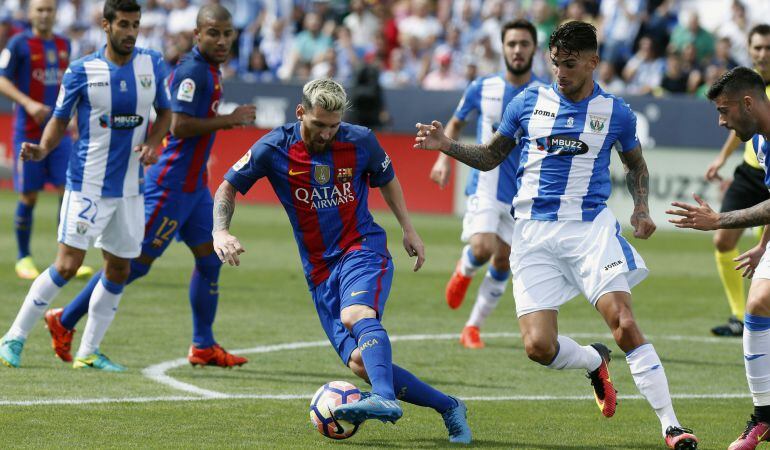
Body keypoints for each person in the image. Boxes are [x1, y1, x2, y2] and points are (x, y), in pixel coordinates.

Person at [414, 21, 698, 449]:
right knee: (538, 347)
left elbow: (635, 164)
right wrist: (447, 146)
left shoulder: (616, 112)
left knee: (623, 323)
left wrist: (641, 208)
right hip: (532, 234)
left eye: (569, 64)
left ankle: (672, 426)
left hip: (589, 231)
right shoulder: (529, 101)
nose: (560, 72)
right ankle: (592, 361)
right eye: (555, 63)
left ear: (592, 62)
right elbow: (492, 156)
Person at [213, 78, 471, 443]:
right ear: (300, 112)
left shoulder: (360, 139)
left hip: (361, 248)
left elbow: (388, 179)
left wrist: (408, 229)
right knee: (361, 364)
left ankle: (383, 398)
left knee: (357, 315)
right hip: (319, 271)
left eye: (333, 126)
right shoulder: (273, 147)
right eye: (318, 125)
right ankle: (449, 406)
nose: (326, 134)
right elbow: (229, 185)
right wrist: (220, 231)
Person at [42, 4, 255, 368]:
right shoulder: (191, 72)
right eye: (214, 33)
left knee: (210, 259)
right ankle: (64, 319)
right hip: (169, 186)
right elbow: (179, 126)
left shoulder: (210, 70)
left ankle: (203, 345)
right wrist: (227, 120)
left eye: (227, 33)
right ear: (198, 34)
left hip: (194, 188)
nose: (222, 40)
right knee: (132, 265)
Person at [0, 0, 171, 372]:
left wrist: (155, 142)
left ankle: (89, 351)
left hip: (130, 187)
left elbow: (166, 112)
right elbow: (60, 120)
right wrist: (44, 148)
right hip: (87, 185)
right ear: (105, 25)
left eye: (135, 24)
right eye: (123, 24)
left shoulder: (152, 64)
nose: (130, 31)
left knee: (119, 268)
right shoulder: (81, 70)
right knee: (67, 264)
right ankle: (13, 336)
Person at [667, 66, 770, 450]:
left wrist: (719, 220)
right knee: (757, 305)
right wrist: (762, 245)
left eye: (724, 111)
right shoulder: (760, 143)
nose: (721, 120)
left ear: (748, 102)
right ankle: (763, 419)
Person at [429, 19, 545, 349]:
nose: (518, 50)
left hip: (522, 192)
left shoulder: (544, 95)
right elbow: (456, 120)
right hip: (485, 183)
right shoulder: (483, 86)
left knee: (504, 259)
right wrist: (442, 158)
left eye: (524, 44)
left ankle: (472, 327)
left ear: (533, 48)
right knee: (482, 247)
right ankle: (465, 267)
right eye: (512, 44)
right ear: (503, 48)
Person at [0, 0, 93, 280]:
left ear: (55, 14)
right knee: (29, 195)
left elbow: (70, 84)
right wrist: (28, 104)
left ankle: (64, 258)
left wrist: (74, 114)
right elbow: (2, 80)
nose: (44, 14)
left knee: (68, 193)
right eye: (39, 9)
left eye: (49, 10)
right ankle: (23, 257)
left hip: (60, 132)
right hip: (28, 131)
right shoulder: (18, 44)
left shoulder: (64, 44)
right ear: (30, 14)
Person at [703, 24, 770, 338]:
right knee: (724, 241)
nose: (763, 53)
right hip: (752, 172)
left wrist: (717, 218)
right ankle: (736, 315)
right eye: (757, 47)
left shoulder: (752, 95)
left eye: (768, 48)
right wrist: (722, 158)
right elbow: (741, 128)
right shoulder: (742, 89)